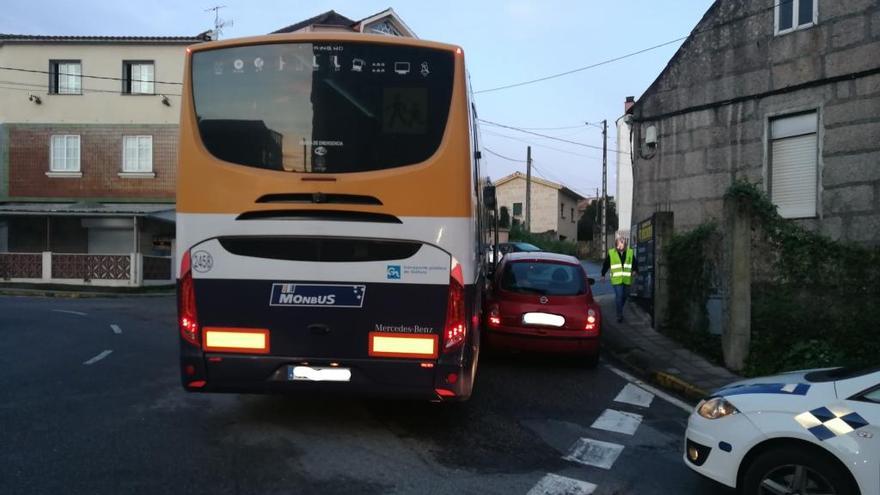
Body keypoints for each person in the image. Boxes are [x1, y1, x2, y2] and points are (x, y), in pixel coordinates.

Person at [601, 233, 638, 323]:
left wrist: (635, 270)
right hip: (616, 279)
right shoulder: (612, 253)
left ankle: (619, 308)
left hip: (626, 279)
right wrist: (603, 274)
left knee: (625, 296)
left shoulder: (629, 252)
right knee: (619, 296)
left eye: (623, 243)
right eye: (619, 243)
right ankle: (619, 315)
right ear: (616, 244)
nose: (621, 245)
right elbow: (606, 264)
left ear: (625, 244)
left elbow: (634, 263)